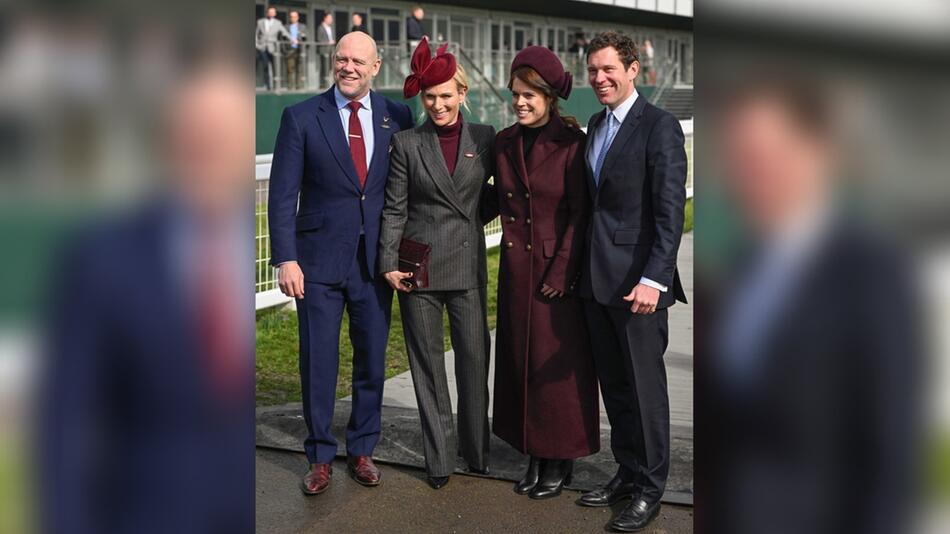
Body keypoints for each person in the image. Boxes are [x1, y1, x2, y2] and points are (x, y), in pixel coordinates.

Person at [268, 31, 414, 496]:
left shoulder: (399, 116)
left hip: (375, 264)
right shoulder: (301, 117)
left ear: (376, 66)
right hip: (316, 264)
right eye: (341, 59)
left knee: (372, 360)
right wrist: (286, 258)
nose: (348, 67)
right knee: (319, 361)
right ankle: (320, 455)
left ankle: (364, 447)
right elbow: (281, 194)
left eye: (358, 61)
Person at [575, 31, 687, 532]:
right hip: (596, 281)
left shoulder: (659, 127)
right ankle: (627, 472)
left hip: (639, 286)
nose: (599, 78)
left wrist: (653, 279)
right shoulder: (596, 124)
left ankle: (651, 489)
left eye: (607, 69)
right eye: (592, 71)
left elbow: (669, 212)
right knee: (616, 388)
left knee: (646, 392)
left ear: (632, 69)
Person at [378, 37, 495, 490]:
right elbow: (395, 208)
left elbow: (495, 195)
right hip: (417, 269)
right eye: (431, 97)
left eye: (447, 95)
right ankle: (440, 459)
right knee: (427, 366)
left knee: (473, 361)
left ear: (462, 94)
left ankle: (477, 451)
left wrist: (467, 223)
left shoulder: (485, 138)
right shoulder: (408, 143)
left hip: (466, 266)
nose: (439, 104)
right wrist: (389, 261)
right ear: (423, 99)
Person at [484, 46, 598, 500]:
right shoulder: (504, 141)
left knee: (558, 372)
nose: (521, 102)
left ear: (550, 96)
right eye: (516, 94)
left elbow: (579, 213)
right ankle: (534, 451)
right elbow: (489, 199)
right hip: (516, 271)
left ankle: (560, 456)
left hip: (556, 275)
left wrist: (563, 270)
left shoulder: (573, 144)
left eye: (530, 94)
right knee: (520, 364)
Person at [256, 7, 291, 90]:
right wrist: (257, 45)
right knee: (265, 66)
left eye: (273, 12)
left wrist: (292, 39)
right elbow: (256, 34)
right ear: (267, 13)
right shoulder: (260, 22)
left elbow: (284, 32)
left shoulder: (278, 23)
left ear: (275, 14)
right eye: (270, 12)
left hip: (273, 48)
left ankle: (276, 85)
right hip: (263, 47)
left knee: (275, 66)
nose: (271, 14)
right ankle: (268, 86)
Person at [284, 11, 306, 91]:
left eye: (295, 16)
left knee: (299, 69)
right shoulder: (286, 27)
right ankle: (290, 87)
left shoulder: (302, 27)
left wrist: (301, 38)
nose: (293, 18)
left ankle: (298, 86)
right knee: (290, 69)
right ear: (290, 18)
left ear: (298, 17)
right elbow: (283, 39)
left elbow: (305, 37)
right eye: (291, 17)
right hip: (290, 51)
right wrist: (285, 50)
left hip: (299, 50)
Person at [315, 13, 336, 88]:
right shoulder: (320, 28)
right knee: (324, 68)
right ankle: (322, 84)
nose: (331, 20)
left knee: (329, 68)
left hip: (330, 50)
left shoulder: (330, 28)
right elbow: (319, 39)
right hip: (324, 50)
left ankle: (328, 84)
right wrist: (328, 42)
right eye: (330, 18)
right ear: (325, 18)